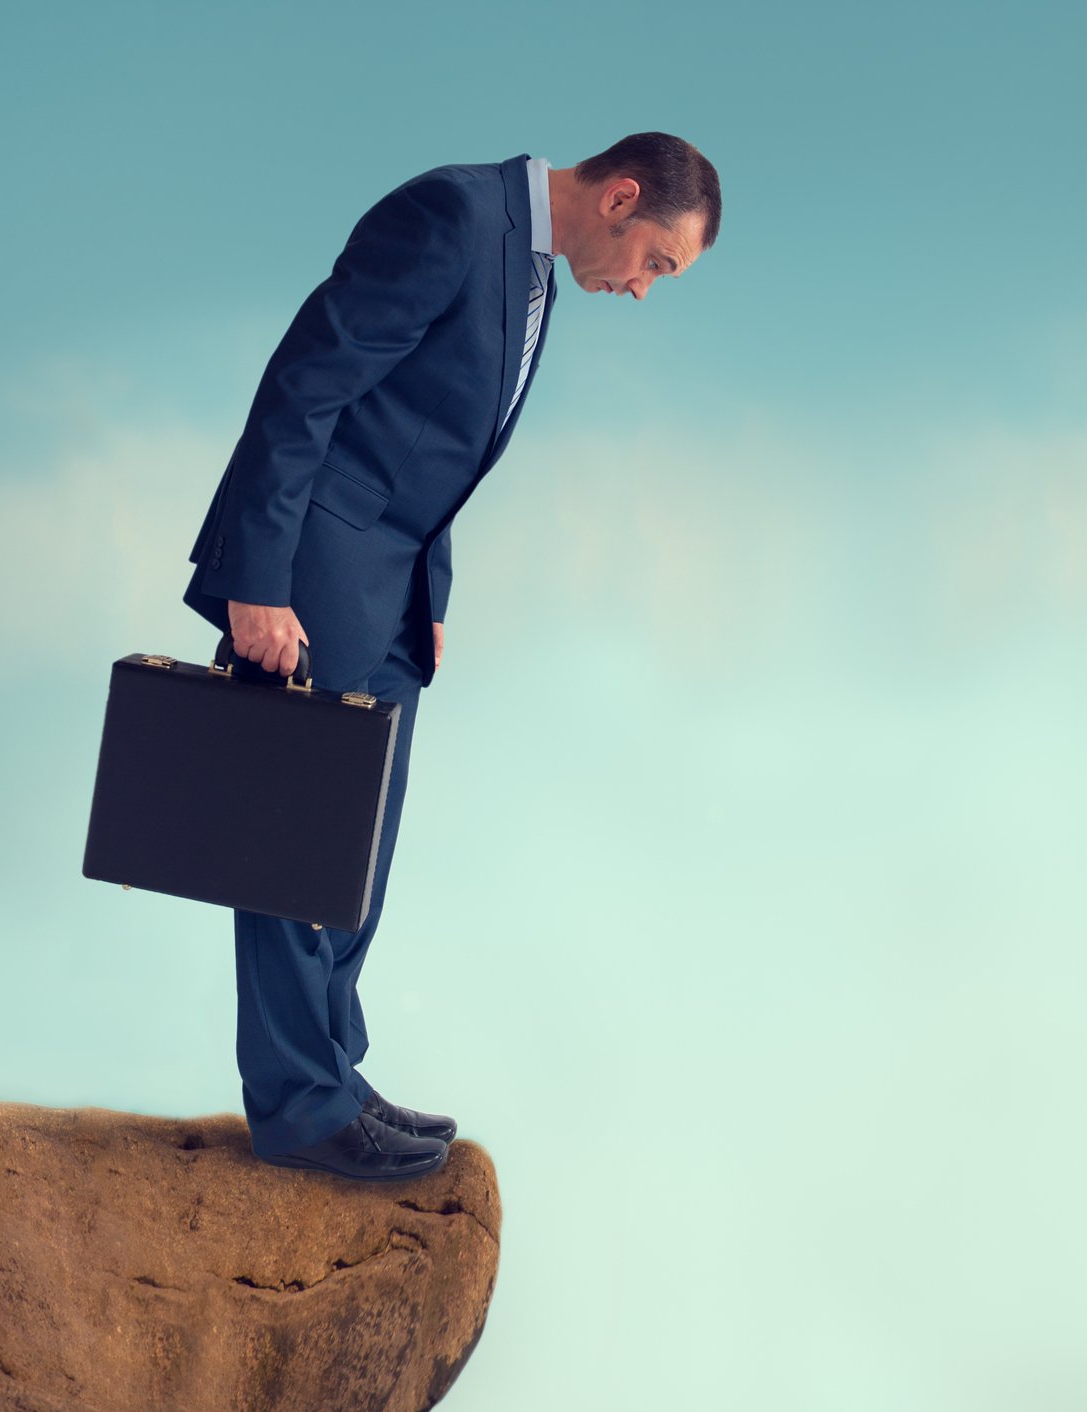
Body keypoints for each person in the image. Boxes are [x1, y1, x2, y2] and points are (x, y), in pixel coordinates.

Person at [178, 134, 722, 1180]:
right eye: (658, 262)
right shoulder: (452, 218)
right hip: (313, 573)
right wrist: (259, 581)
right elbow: (307, 387)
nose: (645, 290)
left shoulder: (533, 272)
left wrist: (429, 594)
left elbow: (428, 440)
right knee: (290, 843)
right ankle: (300, 1106)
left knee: (355, 851)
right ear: (620, 197)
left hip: (388, 592)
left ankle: (334, 1066)